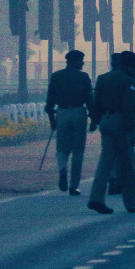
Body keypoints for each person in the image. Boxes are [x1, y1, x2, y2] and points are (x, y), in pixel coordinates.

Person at [87, 52, 135, 214]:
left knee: (105, 162)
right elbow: (127, 106)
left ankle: (96, 198)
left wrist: (95, 120)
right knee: (128, 163)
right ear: (129, 66)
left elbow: (96, 102)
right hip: (121, 122)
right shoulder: (128, 80)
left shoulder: (104, 78)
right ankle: (131, 203)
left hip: (105, 120)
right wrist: (131, 129)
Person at [44, 50, 93, 195]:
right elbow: (89, 99)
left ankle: (62, 169)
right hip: (78, 112)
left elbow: (50, 100)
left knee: (62, 148)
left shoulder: (56, 76)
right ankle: (74, 186)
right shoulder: (83, 77)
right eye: (81, 60)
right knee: (78, 150)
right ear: (74, 61)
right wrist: (94, 118)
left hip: (62, 113)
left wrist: (52, 119)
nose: (82, 63)